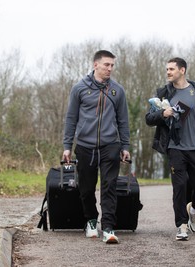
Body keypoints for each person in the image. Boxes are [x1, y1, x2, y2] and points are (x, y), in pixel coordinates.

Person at [145, 57, 195, 241]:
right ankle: (181, 226)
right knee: (179, 187)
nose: (168, 72)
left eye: (172, 69)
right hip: (175, 148)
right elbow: (148, 119)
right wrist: (162, 113)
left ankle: (194, 210)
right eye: (167, 69)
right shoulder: (164, 92)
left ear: (182, 70)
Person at [62, 50, 131, 244]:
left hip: (111, 145)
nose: (110, 68)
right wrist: (67, 145)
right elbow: (71, 118)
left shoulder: (118, 90)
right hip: (85, 146)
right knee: (86, 188)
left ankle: (108, 227)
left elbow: (123, 121)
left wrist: (125, 146)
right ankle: (91, 221)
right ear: (95, 65)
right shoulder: (79, 89)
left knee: (109, 187)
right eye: (106, 65)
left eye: (112, 65)